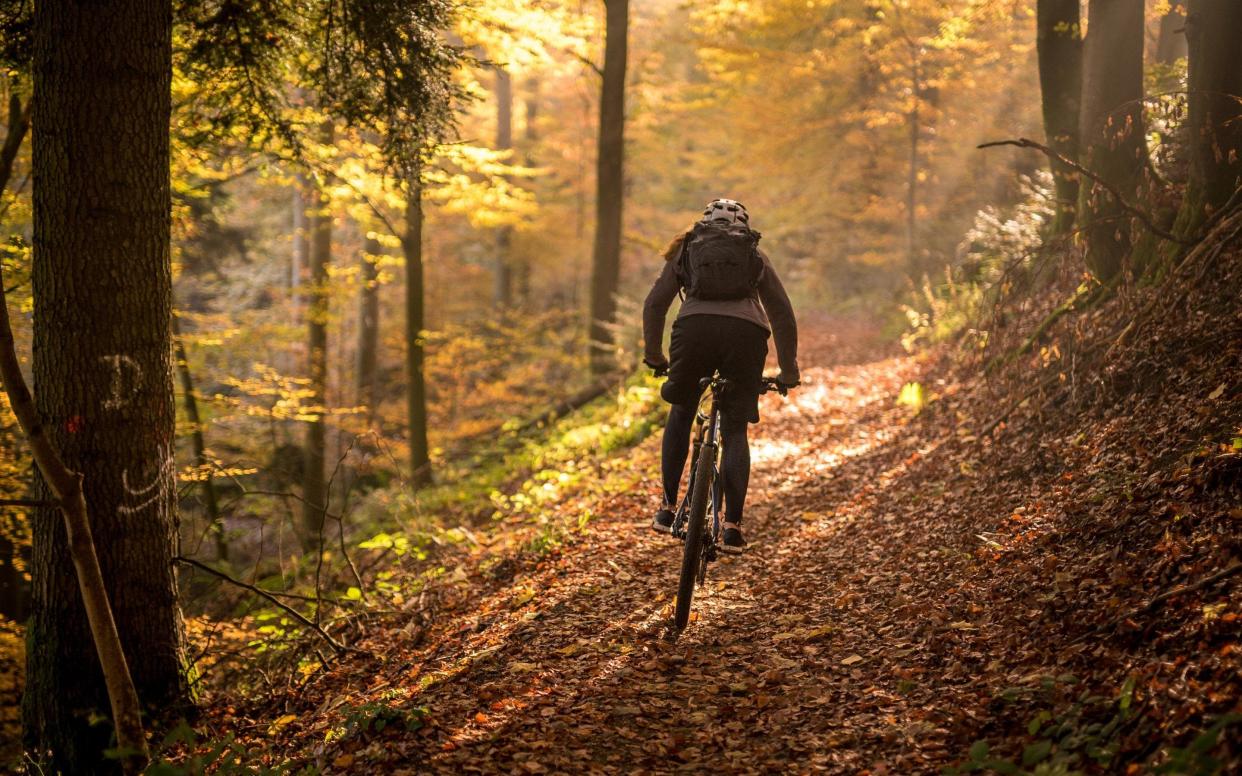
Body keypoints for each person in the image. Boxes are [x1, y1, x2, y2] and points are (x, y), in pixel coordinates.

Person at [641, 199, 800, 554]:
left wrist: (654, 356)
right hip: (746, 337)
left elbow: (655, 304)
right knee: (733, 430)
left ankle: (667, 508)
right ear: (743, 227)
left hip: (693, 331)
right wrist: (788, 371)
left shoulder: (687, 248)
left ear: (704, 223)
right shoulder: (753, 253)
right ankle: (732, 527)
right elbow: (781, 313)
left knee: (681, 410)